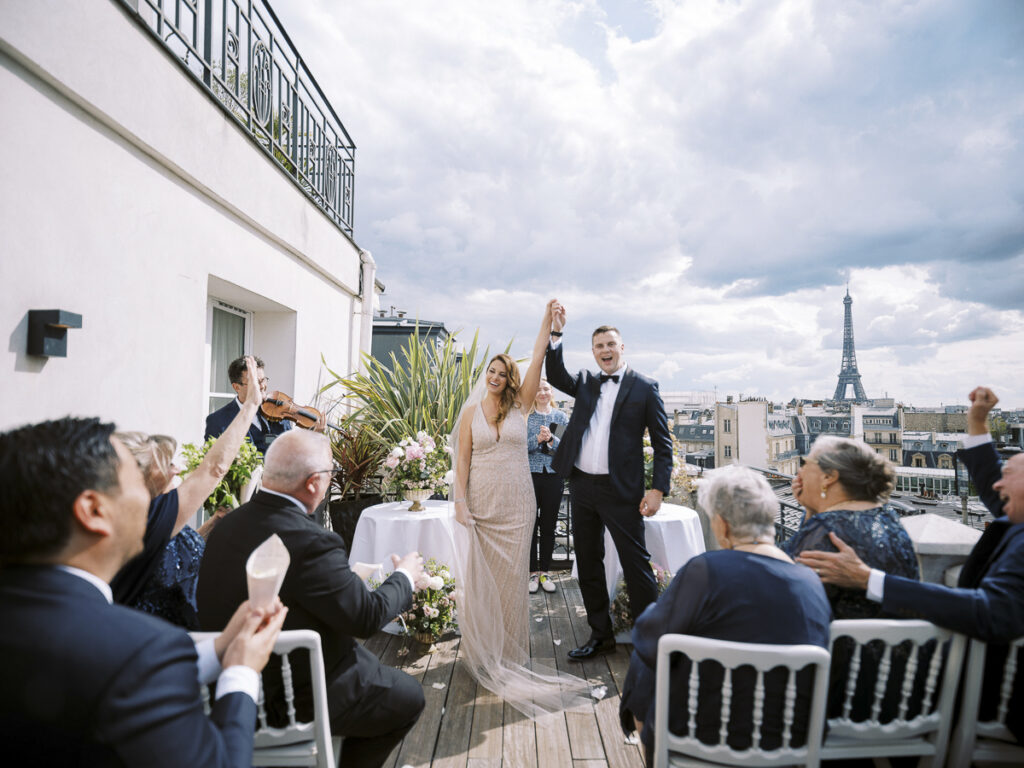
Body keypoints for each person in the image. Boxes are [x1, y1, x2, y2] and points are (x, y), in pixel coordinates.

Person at [0, 416, 287, 767]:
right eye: (135, 479)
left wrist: (222, 648)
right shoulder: (144, 652)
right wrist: (240, 672)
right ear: (93, 510)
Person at [797, 386, 1024, 743]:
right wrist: (977, 422)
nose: (997, 483)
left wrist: (870, 579)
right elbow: (990, 480)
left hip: (988, 693)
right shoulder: (1015, 518)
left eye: (1008, 473)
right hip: (908, 680)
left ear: (830, 477)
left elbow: (994, 612)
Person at [198, 429, 426, 768]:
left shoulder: (225, 527)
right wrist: (405, 576)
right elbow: (365, 618)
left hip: (228, 692)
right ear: (314, 483)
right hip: (296, 699)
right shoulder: (314, 541)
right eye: (331, 473)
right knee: (408, 697)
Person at [619, 466, 831, 764]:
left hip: (704, 733)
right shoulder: (810, 581)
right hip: (791, 734)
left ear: (722, 524)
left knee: (644, 662)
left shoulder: (705, 570)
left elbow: (648, 637)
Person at [450, 300, 591, 717]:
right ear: (485, 376)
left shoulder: (522, 405)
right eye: (490, 371)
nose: (494, 377)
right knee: (482, 581)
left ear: (509, 378)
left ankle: (509, 656)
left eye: (501, 372)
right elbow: (462, 461)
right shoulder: (470, 412)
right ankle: (482, 652)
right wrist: (459, 502)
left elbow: (537, 358)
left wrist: (548, 323)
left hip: (517, 505)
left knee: (512, 583)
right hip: (480, 503)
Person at [544, 302, 674, 661]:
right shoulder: (585, 382)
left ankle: (651, 643)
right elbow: (555, 375)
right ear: (593, 351)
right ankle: (600, 635)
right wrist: (556, 333)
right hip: (582, 486)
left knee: (637, 567)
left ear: (622, 348)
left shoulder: (645, 387)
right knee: (587, 562)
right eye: (599, 346)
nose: (605, 351)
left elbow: (663, 446)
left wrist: (658, 489)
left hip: (622, 492)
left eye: (610, 344)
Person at [111, 355, 265, 619]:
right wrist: (250, 405)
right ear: (141, 476)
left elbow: (175, 541)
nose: (176, 469)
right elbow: (213, 468)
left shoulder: (153, 519)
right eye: (165, 464)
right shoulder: (146, 519)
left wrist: (212, 524)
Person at [784, 435, 919, 619]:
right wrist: (811, 508)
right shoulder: (889, 519)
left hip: (834, 645)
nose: (800, 471)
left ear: (828, 477)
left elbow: (782, 583)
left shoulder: (826, 530)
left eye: (806, 462)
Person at [527, 377, 568, 594]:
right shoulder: (527, 417)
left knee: (549, 526)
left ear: (552, 392)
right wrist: (537, 439)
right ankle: (532, 572)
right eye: (538, 389)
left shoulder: (560, 416)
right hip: (531, 476)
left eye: (546, 389)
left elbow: (566, 449)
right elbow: (520, 447)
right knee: (531, 525)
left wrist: (551, 439)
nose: (542, 392)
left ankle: (545, 571)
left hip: (554, 476)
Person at [205, 354, 291, 453]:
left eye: (263, 380)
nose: (262, 386)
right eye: (255, 382)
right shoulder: (217, 421)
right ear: (236, 387)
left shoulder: (278, 410)